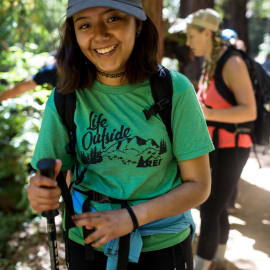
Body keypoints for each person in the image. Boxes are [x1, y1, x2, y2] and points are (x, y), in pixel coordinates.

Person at [26, 1, 214, 269]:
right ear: (74, 34)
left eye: (113, 18)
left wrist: (132, 217)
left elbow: (199, 186)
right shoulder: (66, 98)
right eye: (85, 25)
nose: (100, 34)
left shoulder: (174, 91)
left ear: (137, 24)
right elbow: (52, 178)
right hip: (88, 247)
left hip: (161, 249)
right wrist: (41, 192)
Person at [185, 9, 257, 270]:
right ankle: (219, 258)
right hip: (215, 147)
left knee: (210, 208)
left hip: (233, 148)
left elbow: (250, 110)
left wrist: (209, 113)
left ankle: (201, 265)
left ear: (207, 33)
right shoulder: (211, 62)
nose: (188, 42)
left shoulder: (233, 63)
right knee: (218, 206)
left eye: (192, 36)